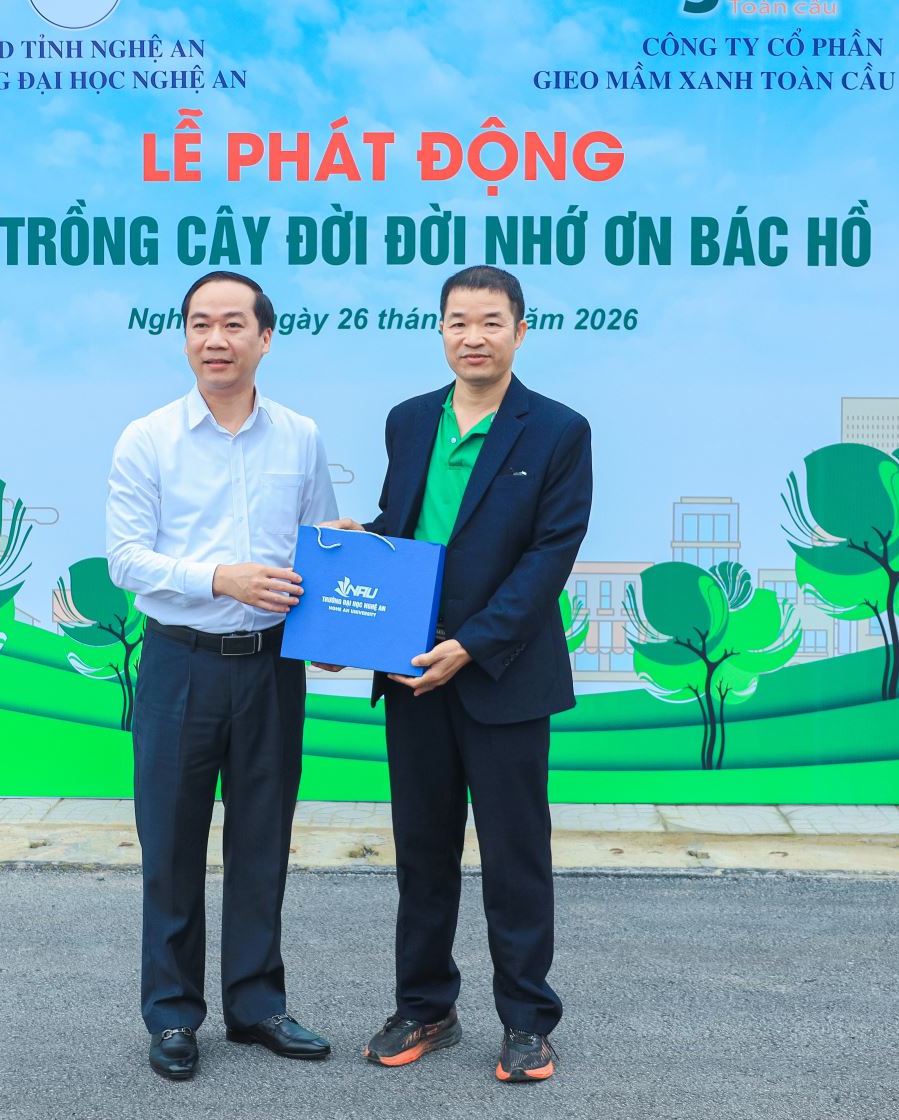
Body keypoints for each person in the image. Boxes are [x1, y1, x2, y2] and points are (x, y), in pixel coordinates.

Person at [353, 265, 593, 1083]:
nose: (473, 337)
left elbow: (548, 556)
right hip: (413, 673)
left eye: (491, 322)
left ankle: (527, 1021)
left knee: (515, 858)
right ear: (441, 331)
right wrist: (357, 556)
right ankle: (425, 1007)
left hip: (503, 675)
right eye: (458, 322)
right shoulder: (409, 419)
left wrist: (473, 644)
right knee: (422, 854)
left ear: (520, 332)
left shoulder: (557, 430)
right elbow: (404, 529)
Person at [106, 270, 339, 1080]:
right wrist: (220, 578)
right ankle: (173, 1015)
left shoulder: (300, 437)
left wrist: (330, 629)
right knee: (171, 846)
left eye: (234, 324)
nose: (216, 339)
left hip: (271, 668)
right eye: (201, 324)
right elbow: (125, 559)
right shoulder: (148, 438)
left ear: (264, 338)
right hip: (181, 663)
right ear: (185, 338)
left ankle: (257, 1004)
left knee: (262, 840)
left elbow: (319, 542)